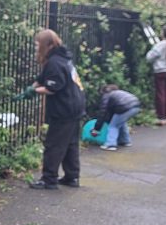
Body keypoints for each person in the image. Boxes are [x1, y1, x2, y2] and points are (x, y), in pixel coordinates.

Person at [19, 29, 86, 189]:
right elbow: (42, 79)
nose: (36, 49)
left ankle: (49, 179)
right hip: (75, 106)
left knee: (54, 144)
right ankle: (72, 176)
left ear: (47, 45)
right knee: (70, 143)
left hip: (64, 109)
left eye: (37, 45)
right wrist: (32, 87)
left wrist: (33, 91)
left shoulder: (54, 63)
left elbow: (53, 87)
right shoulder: (62, 59)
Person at [91, 85, 141, 151]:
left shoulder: (106, 96)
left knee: (113, 126)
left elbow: (102, 113)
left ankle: (110, 145)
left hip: (125, 107)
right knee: (120, 122)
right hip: (136, 105)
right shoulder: (117, 93)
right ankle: (125, 141)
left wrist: (96, 129)